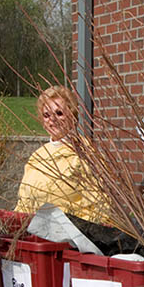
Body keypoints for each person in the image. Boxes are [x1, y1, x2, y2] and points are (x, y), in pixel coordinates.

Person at [14, 85, 107, 223]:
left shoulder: (86, 154)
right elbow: (23, 204)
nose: (52, 120)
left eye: (59, 113)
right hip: (33, 236)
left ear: (73, 115)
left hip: (69, 238)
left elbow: (100, 206)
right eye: (46, 115)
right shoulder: (37, 157)